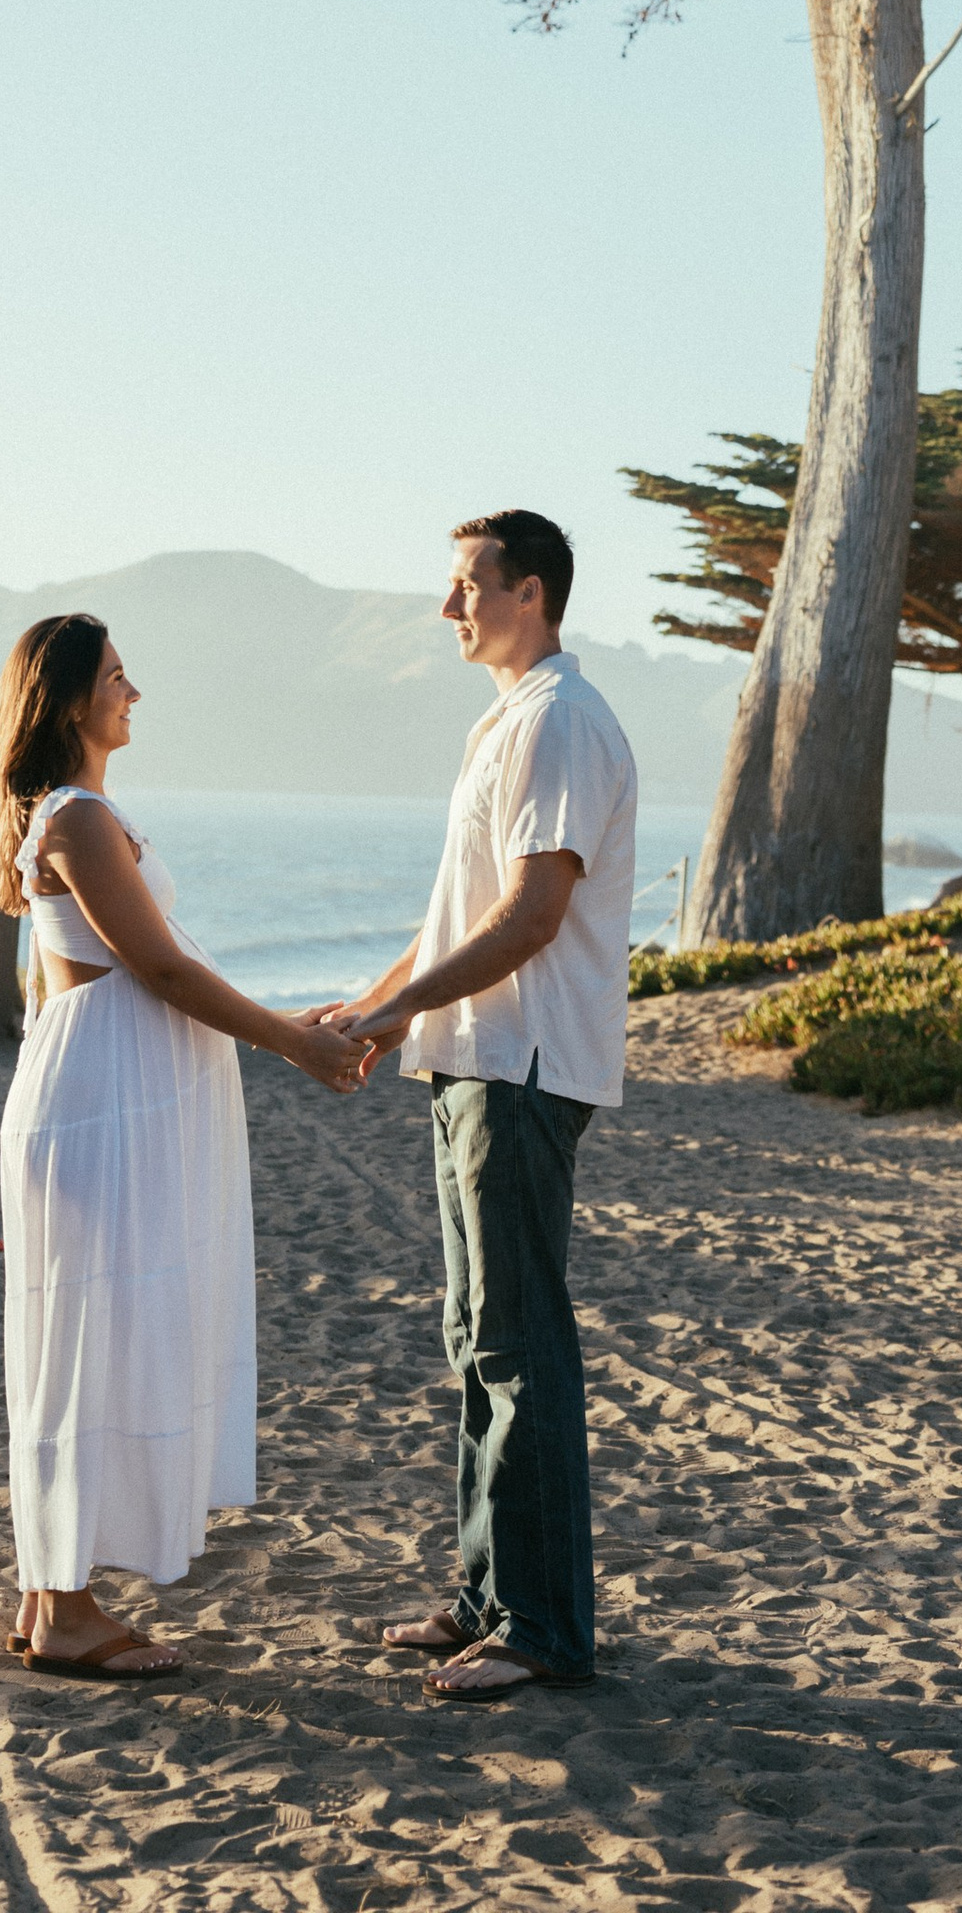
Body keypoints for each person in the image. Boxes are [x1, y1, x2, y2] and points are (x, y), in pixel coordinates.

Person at [0, 606, 365, 1681]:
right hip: (104, 1112)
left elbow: (47, 997)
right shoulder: (74, 819)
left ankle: (47, 1597)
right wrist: (294, 1042)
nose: (132, 691)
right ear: (68, 699)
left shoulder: (76, 816)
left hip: (98, 1104)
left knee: (90, 1338)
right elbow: (158, 970)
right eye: (114, 675)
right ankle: (60, 1611)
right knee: (90, 1343)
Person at [319, 508, 637, 1704]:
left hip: (524, 1067)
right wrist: (372, 1007)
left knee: (518, 1346)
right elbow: (457, 919)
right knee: (477, 1339)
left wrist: (395, 1017)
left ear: (532, 592)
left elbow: (529, 918)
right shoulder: (508, 720)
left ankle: (542, 1626)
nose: (447, 607)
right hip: (474, 1059)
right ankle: (486, 1594)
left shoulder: (559, 720)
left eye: (466, 585)